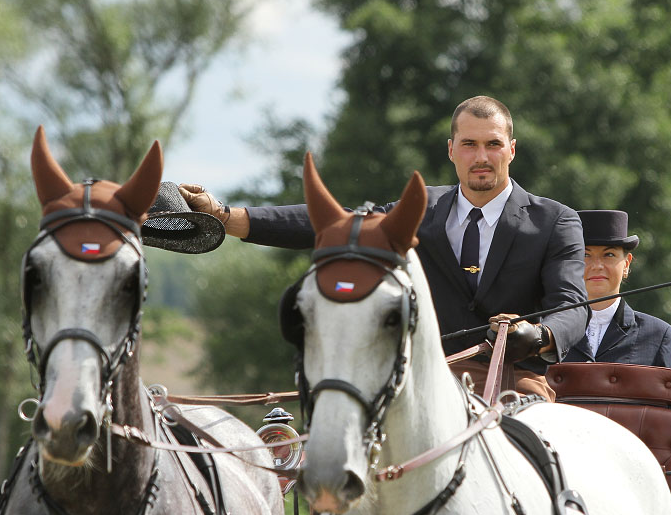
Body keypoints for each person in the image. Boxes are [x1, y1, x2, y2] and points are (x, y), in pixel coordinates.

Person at [180, 96, 588, 402]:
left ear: (511, 150)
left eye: (493, 144)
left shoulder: (555, 221)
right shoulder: (418, 212)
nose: (481, 157)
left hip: (517, 385)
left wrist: (540, 334)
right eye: (469, 144)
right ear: (451, 150)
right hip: (421, 381)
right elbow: (334, 221)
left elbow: (573, 304)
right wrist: (224, 215)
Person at [563, 210, 671, 368]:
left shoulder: (657, 335)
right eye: (585, 255)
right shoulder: (546, 329)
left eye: (609, 255)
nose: (597, 266)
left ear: (626, 264)